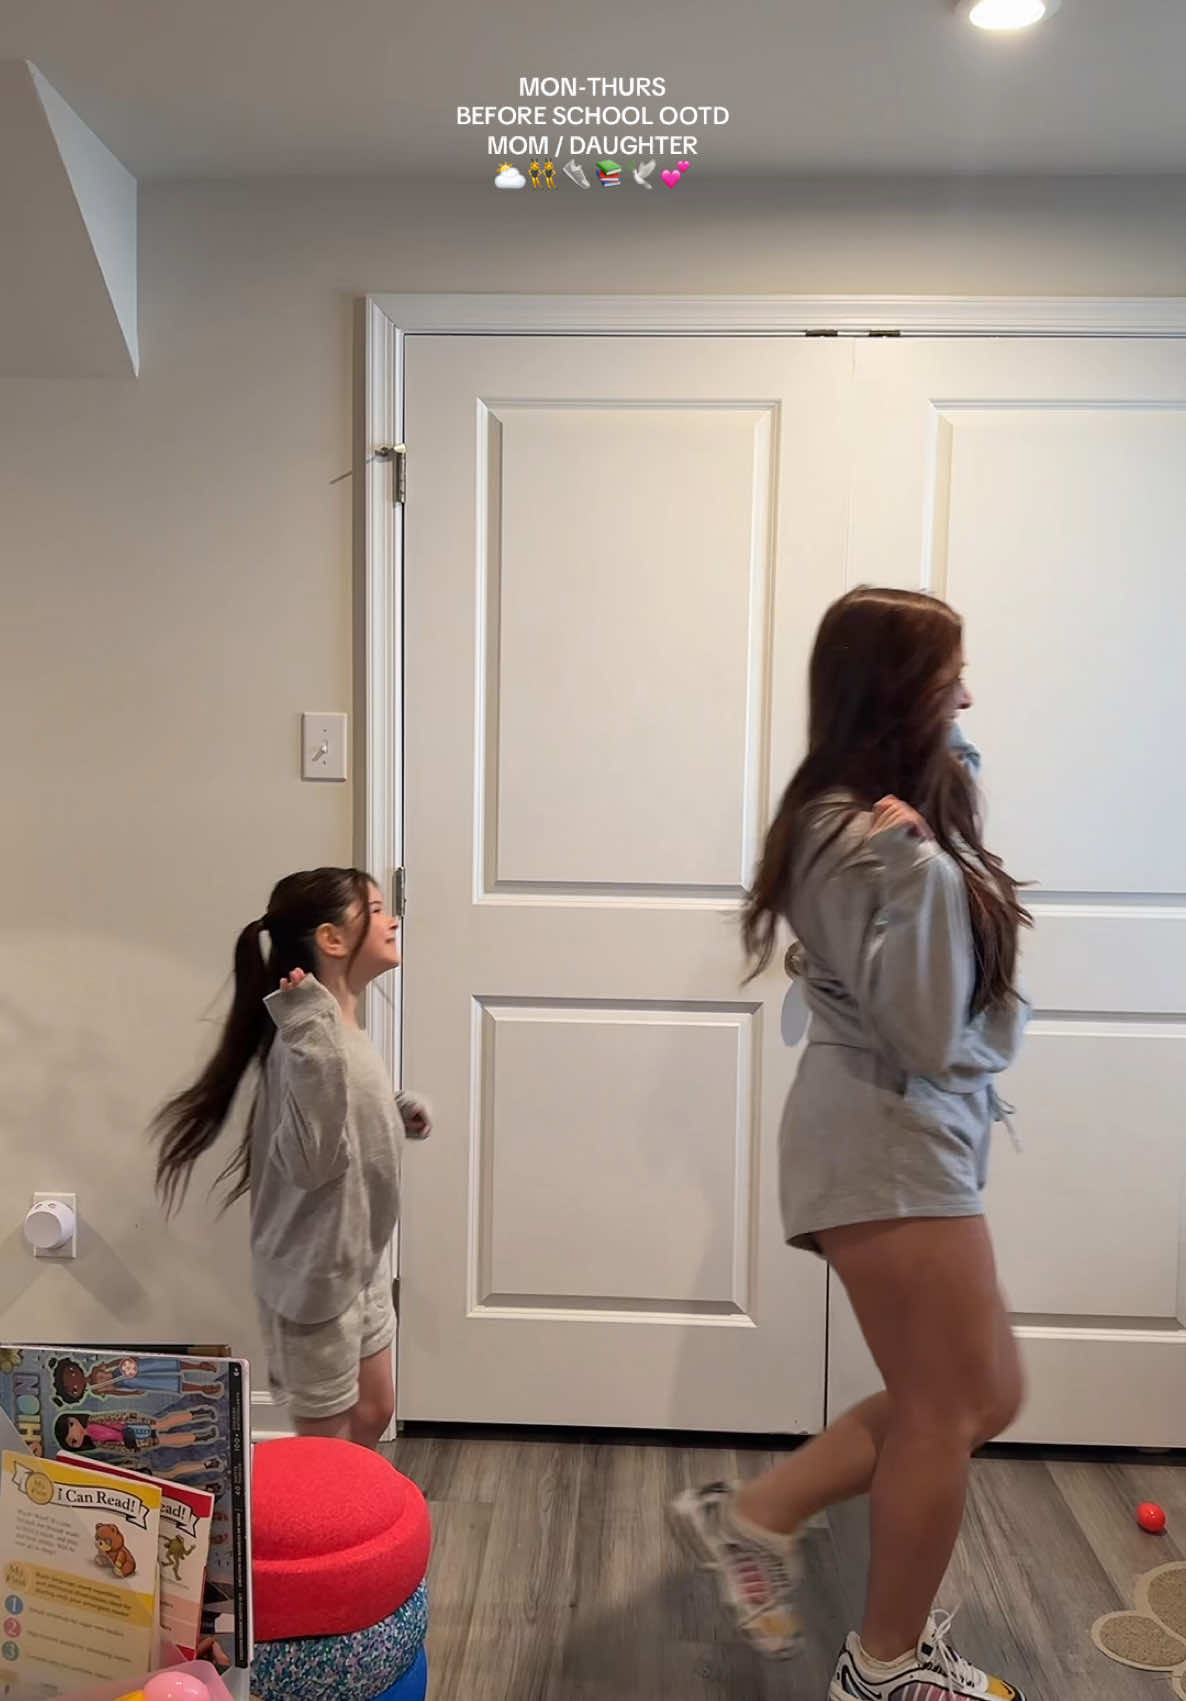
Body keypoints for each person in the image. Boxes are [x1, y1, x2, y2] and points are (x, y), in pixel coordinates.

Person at [670, 588, 1032, 1701]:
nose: (966, 696)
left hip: (911, 1136)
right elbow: (919, 1028)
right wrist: (921, 872)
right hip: (884, 1138)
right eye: (948, 677)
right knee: (947, 1408)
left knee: (984, 1396)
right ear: (895, 689)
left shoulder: (890, 812)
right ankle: (884, 1665)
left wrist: (936, 811)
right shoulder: (847, 835)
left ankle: (757, 1515)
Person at [151, 868, 431, 1447]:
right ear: (332, 939)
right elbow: (311, 1162)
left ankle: (354, 1497)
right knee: (327, 1445)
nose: (393, 920)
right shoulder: (308, 1040)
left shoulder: (337, 1026)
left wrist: (394, 1109)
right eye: (377, 910)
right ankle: (333, 1504)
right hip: (315, 1280)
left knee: (377, 1408)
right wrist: (310, 1034)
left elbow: (343, 1103)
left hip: (360, 1259)